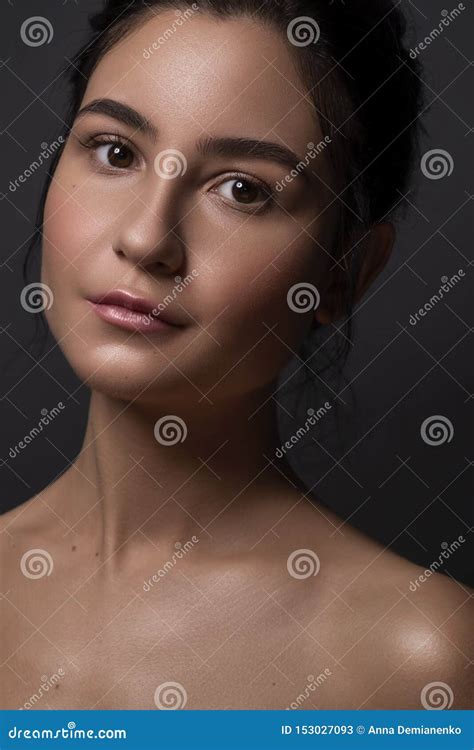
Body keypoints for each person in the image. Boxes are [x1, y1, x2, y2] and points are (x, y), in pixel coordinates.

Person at [1, 0, 471, 710]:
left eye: (244, 190)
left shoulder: (419, 659)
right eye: (116, 152)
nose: (148, 238)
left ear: (345, 272)